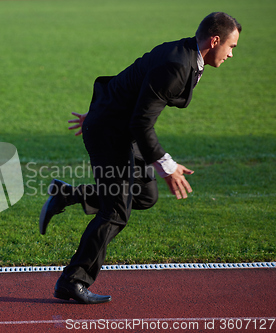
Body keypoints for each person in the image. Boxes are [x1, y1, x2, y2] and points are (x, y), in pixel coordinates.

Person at [39, 12, 242, 304]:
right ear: (214, 40)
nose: (232, 54)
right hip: (111, 133)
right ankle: (72, 281)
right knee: (116, 212)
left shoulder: (184, 53)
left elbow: (133, 80)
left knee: (145, 195)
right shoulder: (176, 64)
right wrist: (167, 166)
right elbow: (141, 124)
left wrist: (103, 110)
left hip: (117, 126)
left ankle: (68, 195)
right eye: (231, 46)